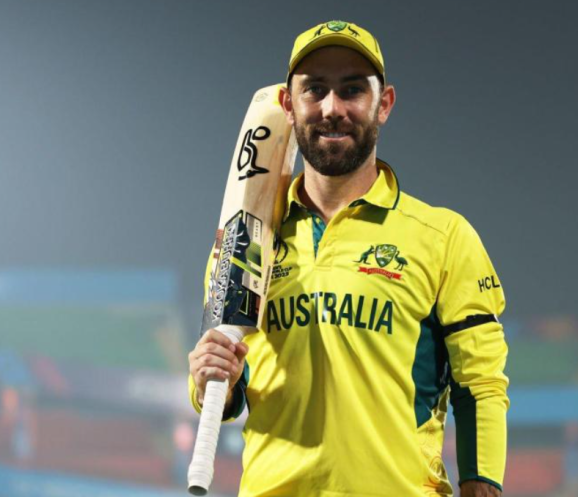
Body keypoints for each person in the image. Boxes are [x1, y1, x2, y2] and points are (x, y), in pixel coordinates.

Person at [188, 20, 509, 497]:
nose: (332, 108)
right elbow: (222, 391)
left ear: (385, 104)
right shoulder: (245, 241)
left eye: (352, 90)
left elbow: (479, 384)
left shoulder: (443, 236)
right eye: (315, 90)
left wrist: (482, 484)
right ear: (288, 105)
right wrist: (210, 378)